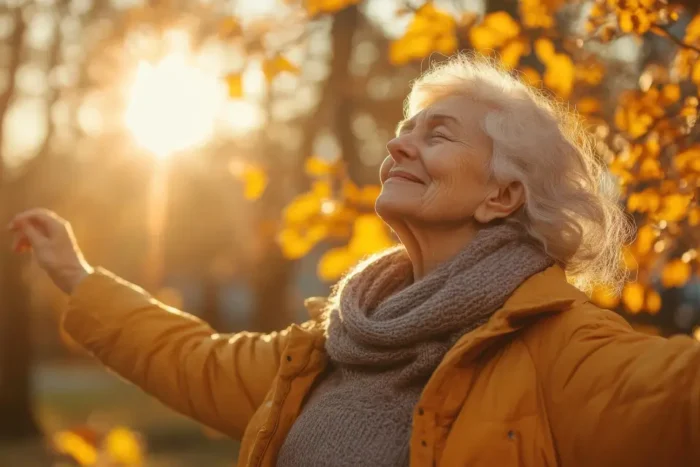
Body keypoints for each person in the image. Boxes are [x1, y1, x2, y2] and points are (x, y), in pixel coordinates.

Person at [8, 54, 700, 467]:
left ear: (502, 194)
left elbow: (673, 397)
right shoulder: (334, 340)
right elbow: (196, 361)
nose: (398, 147)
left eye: (437, 133)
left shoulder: (561, 346)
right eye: (402, 132)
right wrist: (78, 275)